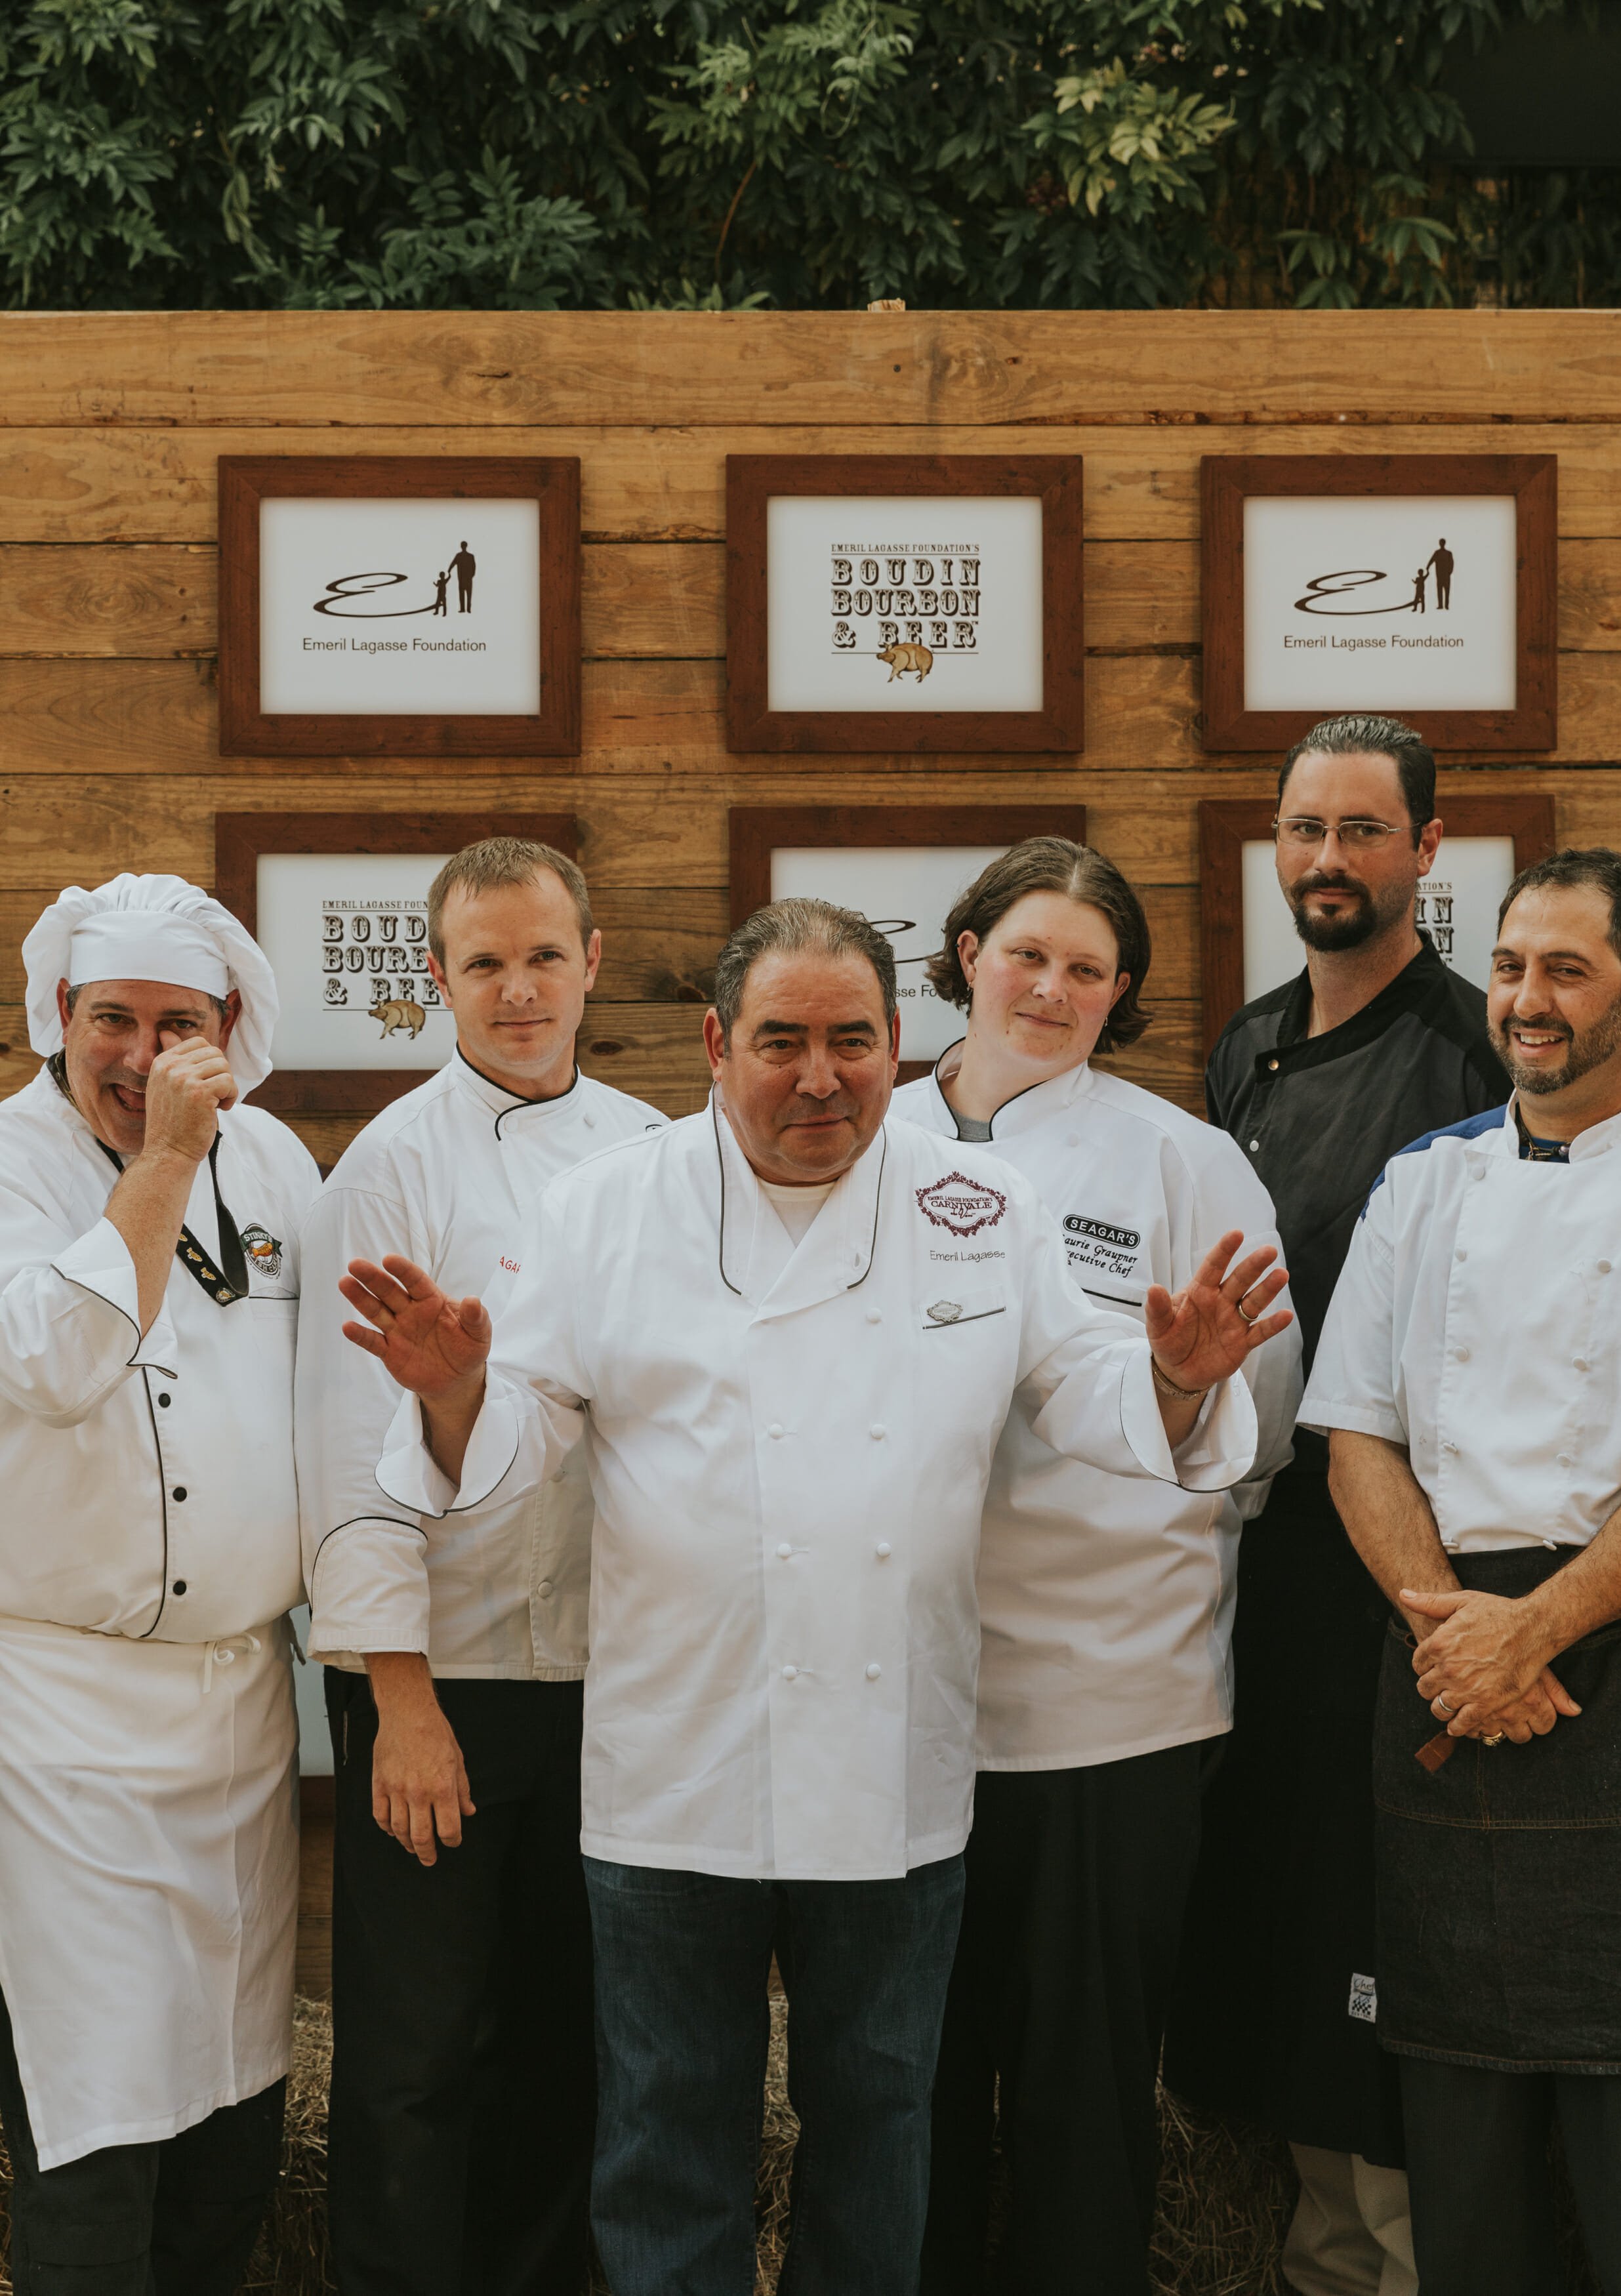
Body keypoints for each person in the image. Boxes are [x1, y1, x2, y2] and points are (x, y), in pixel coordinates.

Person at [342, 898, 1293, 2296]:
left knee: (878, 2129)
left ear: (896, 1040)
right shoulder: (607, 1204)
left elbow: (1079, 1392)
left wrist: (1171, 1377)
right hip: (676, 1762)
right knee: (665, 2135)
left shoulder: (976, 1208)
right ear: (716, 1046)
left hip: (890, 1760)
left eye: (851, 1039)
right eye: (779, 1040)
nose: (818, 1075)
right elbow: (519, 1429)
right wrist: (455, 1392)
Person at [893, 840, 1302, 2295]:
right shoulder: (856, 1140)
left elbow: (1253, 1440)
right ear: (962, 950)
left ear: (1119, 992)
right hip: (896, 1704)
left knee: (1080, 2099)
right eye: (1025, 954)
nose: (1050, 989)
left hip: (1109, 1709)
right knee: (903, 2096)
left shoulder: (1179, 1159)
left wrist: (1177, 1400)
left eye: (1085, 969)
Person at [1164, 713, 1510, 2296]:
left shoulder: (1472, 1051)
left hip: (1407, 1564)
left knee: (1378, 1917)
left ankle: (1389, 2255)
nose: (1327, 860)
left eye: (1364, 832)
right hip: (1255, 1565)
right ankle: (1310, 2245)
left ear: (1428, 855)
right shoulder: (1243, 1049)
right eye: (1306, 830)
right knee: (1283, 1906)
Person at [296, 838, 664, 2296]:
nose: (518, 990)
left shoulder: (655, 1151)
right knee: (412, 2054)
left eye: (543, 956)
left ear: (591, 961)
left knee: (567, 2037)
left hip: (609, 1679)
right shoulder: (389, 1163)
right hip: (439, 1680)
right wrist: (399, 1694)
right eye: (483, 963)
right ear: (436, 981)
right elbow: (345, 1443)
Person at [1304, 846, 1621, 2296]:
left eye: (1564, 968)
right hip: (1435, 1658)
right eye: (1506, 966)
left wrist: (1536, 1629)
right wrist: (1454, 1634)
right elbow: (1354, 1431)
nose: (1524, 1000)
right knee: (1454, 2103)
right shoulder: (1418, 1184)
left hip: (1597, 1651)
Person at [0, 872, 319, 2294]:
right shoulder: (11, 1164)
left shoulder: (284, 1167)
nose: (138, 1055)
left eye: (175, 1024)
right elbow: (56, 1368)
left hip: (239, 1716)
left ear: (230, 1027)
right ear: (58, 1017)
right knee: (97, 2111)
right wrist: (165, 1168)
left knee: (234, 2105)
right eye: (110, 1020)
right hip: (61, 1720)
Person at [1426, 537, 1453, 609]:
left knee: (1447, 590)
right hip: (1439, 575)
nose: (1441, 544)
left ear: (1444, 544)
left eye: (1442, 543)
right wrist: (1428, 566)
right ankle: (1441, 605)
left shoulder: (1449, 553)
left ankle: (1446, 605)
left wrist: (1450, 572)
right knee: (1440, 590)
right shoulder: (1437, 553)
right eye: (1440, 543)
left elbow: (1452, 563)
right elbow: (1432, 560)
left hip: (1446, 575)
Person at [451, 541, 476, 613]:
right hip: (462, 579)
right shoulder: (459, 556)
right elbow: (453, 563)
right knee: (463, 594)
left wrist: (472, 575)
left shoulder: (470, 556)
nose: (463, 547)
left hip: (466, 579)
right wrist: (449, 570)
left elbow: (474, 566)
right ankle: (463, 609)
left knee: (468, 594)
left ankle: (468, 609)